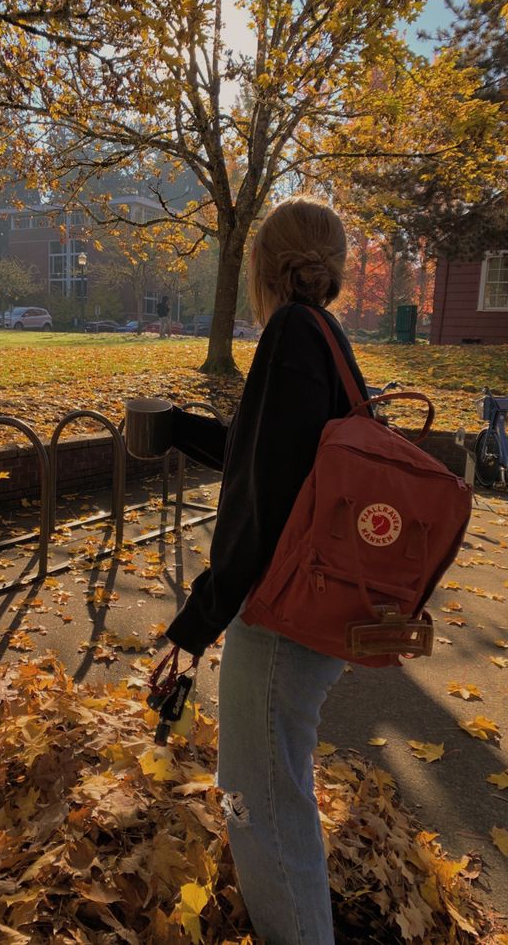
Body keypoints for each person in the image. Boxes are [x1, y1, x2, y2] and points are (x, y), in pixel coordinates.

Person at [164, 197, 370, 945]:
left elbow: (263, 501)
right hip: (312, 615)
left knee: (265, 806)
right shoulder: (326, 339)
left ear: (264, 267)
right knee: (273, 796)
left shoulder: (290, 332)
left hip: (283, 619)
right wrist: (179, 429)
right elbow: (275, 461)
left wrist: (196, 620)